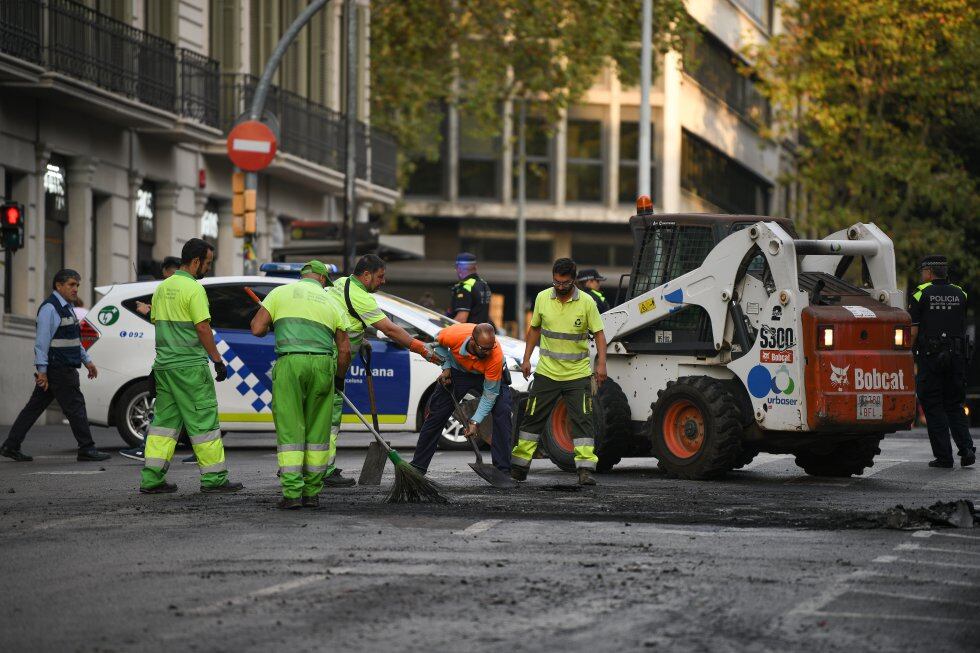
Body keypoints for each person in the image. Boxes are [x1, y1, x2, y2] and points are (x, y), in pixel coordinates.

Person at [326, 254, 444, 485]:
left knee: (312, 414)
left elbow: (344, 316)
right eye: (380, 276)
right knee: (329, 418)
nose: (384, 281)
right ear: (366, 275)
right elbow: (390, 330)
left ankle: (302, 467)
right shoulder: (362, 298)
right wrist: (422, 349)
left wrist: (361, 339)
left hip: (328, 353)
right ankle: (324, 470)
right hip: (333, 360)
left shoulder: (341, 283)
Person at [139, 238, 243, 494]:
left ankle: (151, 479)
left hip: (164, 367)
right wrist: (217, 360)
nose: (208, 268)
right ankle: (214, 479)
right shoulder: (194, 290)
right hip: (190, 368)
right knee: (203, 421)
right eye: (207, 263)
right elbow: (202, 327)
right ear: (195, 261)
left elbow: (158, 321)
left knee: (163, 424)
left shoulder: (163, 288)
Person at [250, 260, 351, 509]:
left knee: (290, 428)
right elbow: (345, 349)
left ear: (302, 276)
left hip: (290, 363)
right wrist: (338, 378)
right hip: (322, 365)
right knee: (318, 430)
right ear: (322, 280)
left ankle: (292, 493)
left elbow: (256, 329)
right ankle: (312, 492)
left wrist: (275, 324)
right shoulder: (332, 301)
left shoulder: (279, 293)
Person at [511, 258, 608, 485]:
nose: (560, 286)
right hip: (547, 372)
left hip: (577, 375)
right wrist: (526, 359)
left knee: (583, 421)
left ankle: (584, 470)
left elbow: (600, 335)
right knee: (533, 418)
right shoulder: (543, 298)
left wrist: (601, 364)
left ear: (573, 280)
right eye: (556, 281)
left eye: (564, 283)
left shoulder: (587, 303)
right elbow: (534, 329)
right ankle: (519, 467)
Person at [0, 269, 111, 462]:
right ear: (58, 286)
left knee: (34, 407)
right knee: (76, 407)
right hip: (58, 368)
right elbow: (42, 343)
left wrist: (87, 361)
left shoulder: (67, 307)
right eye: (71, 284)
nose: (75, 289)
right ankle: (87, 448)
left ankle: (11, 445)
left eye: (77, 285)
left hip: (61, 367)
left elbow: (73, 340)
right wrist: (42, 372)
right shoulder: (50, 308)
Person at [410, 322, 512, 474]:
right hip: (459, 371)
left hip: (487, 374)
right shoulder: (453, 335)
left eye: (491, 348)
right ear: (472, 340)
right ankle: (418, 467)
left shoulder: (494, 356)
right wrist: (446, 367)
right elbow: (439, 343)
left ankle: (503, 470)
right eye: (483, 349)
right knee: (436, 412)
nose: (488, 352)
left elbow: (489, 395)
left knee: (503, 411)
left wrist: (475, 421)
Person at [122, 255, 191, 462]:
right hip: (172, 360)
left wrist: (149, 310)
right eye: (173, 273)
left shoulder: (171, 290)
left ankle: (147, 449)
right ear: (166, 272)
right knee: (171, 407)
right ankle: (147, 448)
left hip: (174, 360)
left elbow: (170, 318)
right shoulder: (165, 290)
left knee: (173, 407)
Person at [908, 255, 975, 469]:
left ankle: (944, 457)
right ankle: (966, 450)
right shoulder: (960, 293)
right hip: (956, 357)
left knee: (933, 406)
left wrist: (908, 354)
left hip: (931, 358)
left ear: (928, 272)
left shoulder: (920, 293)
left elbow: (914, 331)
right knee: (955, 405)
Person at [450, 252, 492, 324]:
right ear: (475, 267)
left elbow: (461, 319)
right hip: (481, 332)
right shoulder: (484, 285)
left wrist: (443, 330)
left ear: (459, 269)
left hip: (468, 333)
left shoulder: (465, 287)